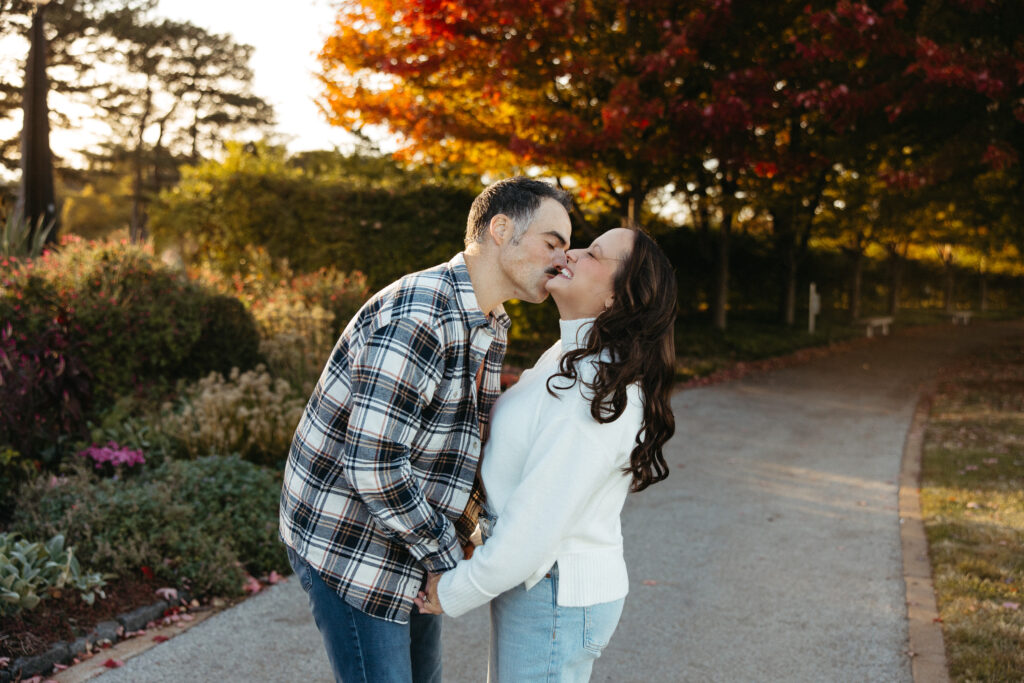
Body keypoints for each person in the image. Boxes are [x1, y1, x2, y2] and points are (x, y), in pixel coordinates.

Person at [279, 177, 573, 683]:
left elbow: (457, 448)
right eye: (553, 243)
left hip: (408, 541)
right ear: (502, 229)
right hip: (351, 545)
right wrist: (446, 555)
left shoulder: (490, 321)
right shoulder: (420, 315)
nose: (563, 261)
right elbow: (373, 466)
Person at [415, 227, 678, 682]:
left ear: (619, 298)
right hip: (541, 586)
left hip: (554, 592)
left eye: (594, 254)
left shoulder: (595, 389)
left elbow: (537, 521)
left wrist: (454, 590)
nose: (571, 253)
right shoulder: (571, 356)